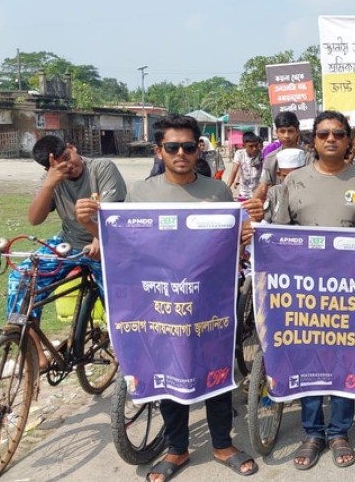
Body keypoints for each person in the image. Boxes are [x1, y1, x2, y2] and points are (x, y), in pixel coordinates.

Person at [91, 114, 263, 481]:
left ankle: (222, 443)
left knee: (215, 367)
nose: (181, 153)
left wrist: (246, 233)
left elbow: (230, 244)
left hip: (210, 300)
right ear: (159, 151)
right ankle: (177, 449)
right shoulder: (140, 194)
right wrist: (93, 223)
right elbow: (124, 245)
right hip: (160, 300)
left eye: (188, 146)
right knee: (169, 370)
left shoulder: (218, 192)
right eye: (172, 147)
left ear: (199, 148)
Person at [272, 110, 355, 470]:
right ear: (312, 140)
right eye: (324, 133)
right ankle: (313, 432)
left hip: (352, 287)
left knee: (346, 356)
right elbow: (279, 233)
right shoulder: (293, 182)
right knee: (310, 355)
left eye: (338, 133)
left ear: (348, 140)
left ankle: (340, 430)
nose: (331, 139)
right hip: (304, 288)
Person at [11, 135, 127, 371]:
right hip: (70, 244)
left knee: (121, 304)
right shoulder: (52, 179)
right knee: (21, 278)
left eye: (68, 157)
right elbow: (34, 219)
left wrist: (97, 238)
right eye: (59, 164)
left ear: (73, 147)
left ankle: (130, 355)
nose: (69, 165)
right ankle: (35, 354)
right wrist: (49, 184)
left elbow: (112, 214)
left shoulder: (101, 168)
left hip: (107, 243)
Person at [252, 111, 313, 200]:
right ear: (277, 132)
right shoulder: (271, 159)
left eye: (290, 131)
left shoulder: (309, 158)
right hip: (280, 204)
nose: (286, 136)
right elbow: (263, 186)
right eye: (282, 131)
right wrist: (251, 206)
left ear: (297, 131)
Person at [263, 148, 306, 224]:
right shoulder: (274, 192)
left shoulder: (310, 191)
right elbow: (266, 221)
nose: (290, 181)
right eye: (285, 176)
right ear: (279, 175)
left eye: (295, 177)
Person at [226, 131, 263, 201]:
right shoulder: (239, 154)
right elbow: (233, 172)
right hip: (244, 194)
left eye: (256, 145)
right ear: (244, 146)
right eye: (251, 146)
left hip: (259, 194)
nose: (254, 148)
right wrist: (226, 189)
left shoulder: (262, 154)